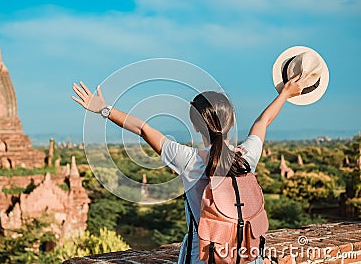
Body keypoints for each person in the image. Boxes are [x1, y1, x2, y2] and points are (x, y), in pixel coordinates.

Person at [72, 74, 305, 263]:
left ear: (194, 125)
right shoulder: (246, 158)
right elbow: (262, 122)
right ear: (232, 121)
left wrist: (103, 108)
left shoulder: (188, 160)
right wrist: (285, 94)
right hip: (249, 257)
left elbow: (143, 128)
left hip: (204, 258)